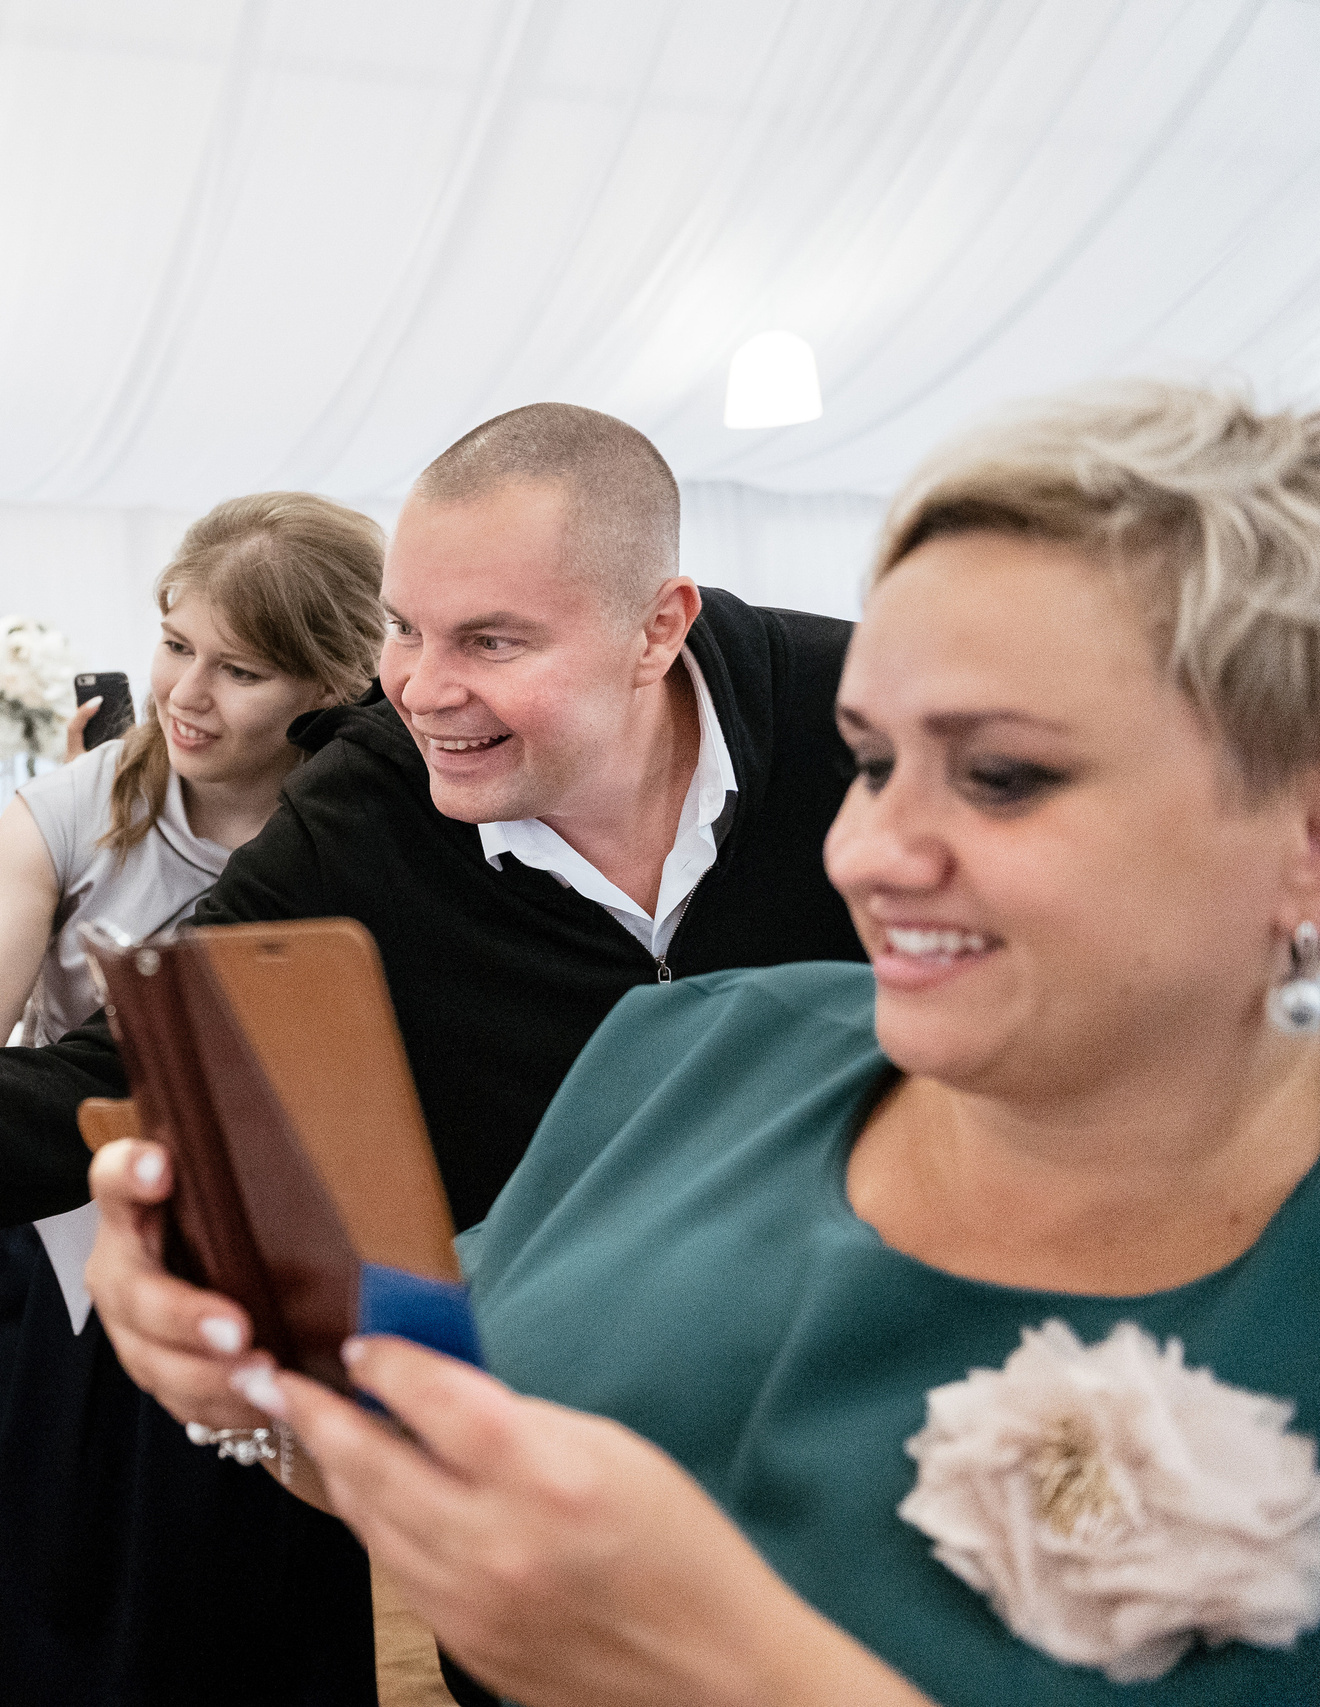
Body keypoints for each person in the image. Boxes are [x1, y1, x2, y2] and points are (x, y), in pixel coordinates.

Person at [0, 404, 872, 1704]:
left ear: (660, 624)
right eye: (404, 628)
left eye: (491, 640)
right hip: (555, 1477)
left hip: (871, 1418)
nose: (425, 687)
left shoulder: (862, 719)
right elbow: (129, 1067)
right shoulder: (372, 801)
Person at [107, 382, 1320, 1703]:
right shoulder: (697, 1053)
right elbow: (443, 1452)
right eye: (870, 760)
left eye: (1002, 776)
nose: (867, 854)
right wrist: (241, 1378)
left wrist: (728, 1661)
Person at [0, 494, 388, 1702]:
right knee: (49, 1618)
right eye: (175, 642)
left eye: (240, 668)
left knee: (259, 1628)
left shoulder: (378, 829)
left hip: (270, 1280)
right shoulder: (64, 813)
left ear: (332, 678)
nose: (185, 694)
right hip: (57, 1272)